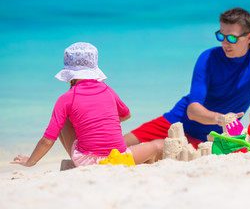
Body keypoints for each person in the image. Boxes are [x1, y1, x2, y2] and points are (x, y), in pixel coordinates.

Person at [124, 7, 250, 149]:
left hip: (212, 137)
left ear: (249, 38)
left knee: (158, 147)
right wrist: (221, 119)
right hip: (176, 121)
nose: (225, 43)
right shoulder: (208, 58)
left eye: (232, 38)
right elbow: (192, 111)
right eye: (221, 36)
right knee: (119, 145)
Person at [11, 42, 163, 167]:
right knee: (154, 147)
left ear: (69, 73)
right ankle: (146, 166)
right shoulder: (108, 90)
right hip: (120, 159)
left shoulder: (66, 98)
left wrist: (30, 161)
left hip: (88, 163)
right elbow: (126, 115)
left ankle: (74, 164)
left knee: (63, 122)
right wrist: (102, 121)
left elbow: (48, 139)